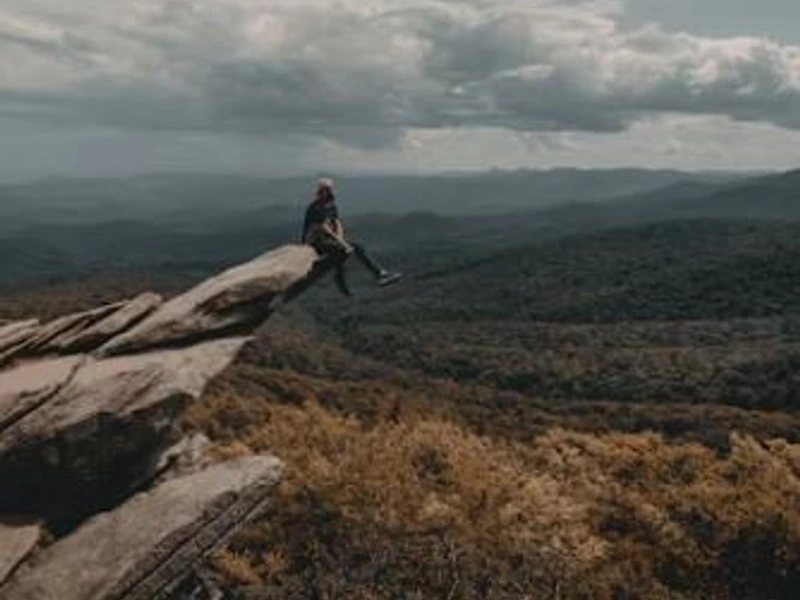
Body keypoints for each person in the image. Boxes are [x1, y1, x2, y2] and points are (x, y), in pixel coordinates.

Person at [302, 178, 401, 296]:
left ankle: (379, 274)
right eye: (326, 190)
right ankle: (343, 280)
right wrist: (343, 243)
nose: (329, 192)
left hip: (328, 239)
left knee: (356, 247)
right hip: (315, 242)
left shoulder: (330, 205)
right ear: (321, 191)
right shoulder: (316, 208)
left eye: (329, 190)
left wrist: (341, 238)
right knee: (344, 250)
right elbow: (324, 228)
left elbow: (336, 222)